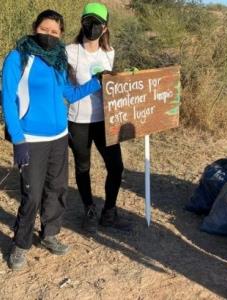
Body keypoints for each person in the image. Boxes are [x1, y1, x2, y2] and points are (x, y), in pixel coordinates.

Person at [1, 9, 102, 270]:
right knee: (32, 194)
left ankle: (50, 234)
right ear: (35, 27)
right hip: (31, 139)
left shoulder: (58, 58)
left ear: (60, 35)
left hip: (59, 136)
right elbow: (8, 101)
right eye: (44, 29)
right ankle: (20, 244)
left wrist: (97, 82)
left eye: (54, 32)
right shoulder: (18, 57)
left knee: (56, 190)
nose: (49, 35)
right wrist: (18, 139)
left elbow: (67, 92)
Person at [66, 3, 129, 233]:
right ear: (82, 21)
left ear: (105, 28)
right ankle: (89, 210)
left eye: (97, 23)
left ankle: (109, 212)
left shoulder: (108, 53)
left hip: (105, 121)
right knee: (83, 167)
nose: (91, 26)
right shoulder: (69, 52)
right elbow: (65, 89)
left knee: (116, 167)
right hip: (78, 121)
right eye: (88, 20)